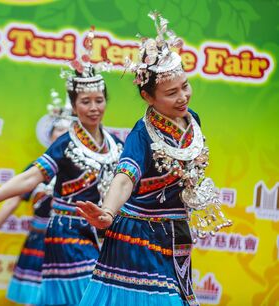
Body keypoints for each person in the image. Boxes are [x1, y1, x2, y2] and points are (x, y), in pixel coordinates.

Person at [0, 27, 123, 306]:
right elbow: (29, 178)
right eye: (85, 101)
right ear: (75, 107)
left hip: (101, 233)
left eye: (99, 100)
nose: (93, 107)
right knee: (90, 296)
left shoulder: (115, 145)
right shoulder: (65, 144)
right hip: (68, 232)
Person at [77, 12, 231, 306]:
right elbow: (124, 178)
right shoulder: (142, 133)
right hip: (138, 235)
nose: (183, 97)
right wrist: (108, 212)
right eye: (171, 93)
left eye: (185, 86)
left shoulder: (192, 119)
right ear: (148, 97)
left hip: (175, 232)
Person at [0, 90, 71, 306]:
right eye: (57, 130)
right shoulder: (37, 169)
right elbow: (12, 201)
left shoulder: (85, 168)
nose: (61, 134)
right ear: (49, 136)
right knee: (33, 300)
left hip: (73, 242)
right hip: (40, 241)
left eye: (67, 131)